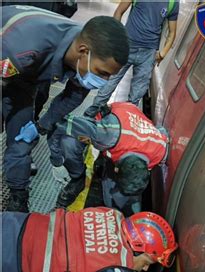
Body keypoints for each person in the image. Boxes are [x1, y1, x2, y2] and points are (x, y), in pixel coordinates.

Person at [2, 5, 130, 213]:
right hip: (8, 56)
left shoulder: (85, 53)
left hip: (26, 77)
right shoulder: (21, 47)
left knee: (21, 141)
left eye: (109, 76)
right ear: (83, 52)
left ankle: (18, 198)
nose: (103, 81)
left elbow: (71, 97)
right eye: (102, 72)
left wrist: (40, 126)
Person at [1, 207, 178, 272]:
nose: (145, 269)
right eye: (147, 261)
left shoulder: (110, 213)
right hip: (13, 271)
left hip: (12, 223)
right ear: (138, 247)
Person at [48, 102, 169, 216]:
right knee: (69, 142)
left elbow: (162, 130)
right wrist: (57, 162)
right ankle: (78, 177)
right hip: (119, 115)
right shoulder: (106, 135)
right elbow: (64, 124)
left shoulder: (160, 151)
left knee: (117, 195)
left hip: (132, 120)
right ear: (116, 168)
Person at [90, 0, 179, 110]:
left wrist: (162, 54)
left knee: (136, 95)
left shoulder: (173, 3)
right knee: (110, 83)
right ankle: (91, 114)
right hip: (127, 46)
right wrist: (116, 38)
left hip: (148, 54)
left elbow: (172, 32)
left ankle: (126, 118)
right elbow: (119, 12)